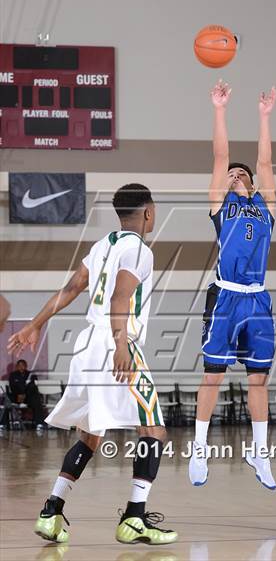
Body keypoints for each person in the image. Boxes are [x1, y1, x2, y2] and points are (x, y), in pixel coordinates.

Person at [8, 183, 177, 545]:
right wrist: (120, 344)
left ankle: (52, 511)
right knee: (153, 429)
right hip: (116, 343)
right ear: (148, 212)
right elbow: (120, 296)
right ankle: (134, 518)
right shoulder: (139, 250)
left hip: (86, 347)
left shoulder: (103, 246)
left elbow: (70, 289)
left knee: (90, 434)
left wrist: (34, 324)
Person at [189, 80, 276, 490]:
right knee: (213, 377)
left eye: (241, 174)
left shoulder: (265, 206)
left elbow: (264, 162)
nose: (235, 174)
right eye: (230, 175)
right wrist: (219, 109)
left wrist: (263, 117)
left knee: (258, 380)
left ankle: (259, 454)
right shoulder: (220, 208)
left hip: (257, 299)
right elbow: (220, 154)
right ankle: (200, 449)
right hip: (225, 297)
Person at [8, 359, 45, 429]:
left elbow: (33, 386)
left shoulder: (31, 375)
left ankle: (39, 424)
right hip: (17, 396)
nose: (21, 367)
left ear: (26, 366)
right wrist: (20, 393)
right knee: (6, 400)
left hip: (28, 397)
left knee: (36, 400)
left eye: (23, 365)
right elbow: (12, 386)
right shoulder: (13, 375)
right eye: (19, 366)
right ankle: (3, 425)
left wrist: (25, 393)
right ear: (17, 367)